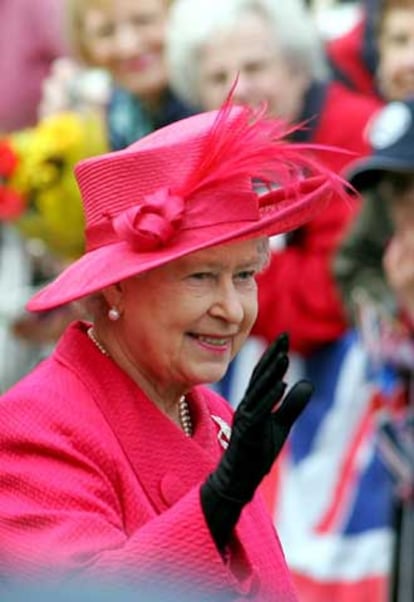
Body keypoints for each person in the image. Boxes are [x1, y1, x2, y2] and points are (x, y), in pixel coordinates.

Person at [0, 101, 347, 598]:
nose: (231, 309)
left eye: (244, 275)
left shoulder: (215, 418)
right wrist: (216, 504)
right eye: (202, 277)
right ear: (116, 288)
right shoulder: (33, 430)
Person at [166, 0, 383, 360]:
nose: (238, 89)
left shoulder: (357, 135)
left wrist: (219, 266)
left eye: (255, 67)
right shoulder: (220, 155)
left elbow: (323, 303)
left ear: (298, 68)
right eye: (218, 78)